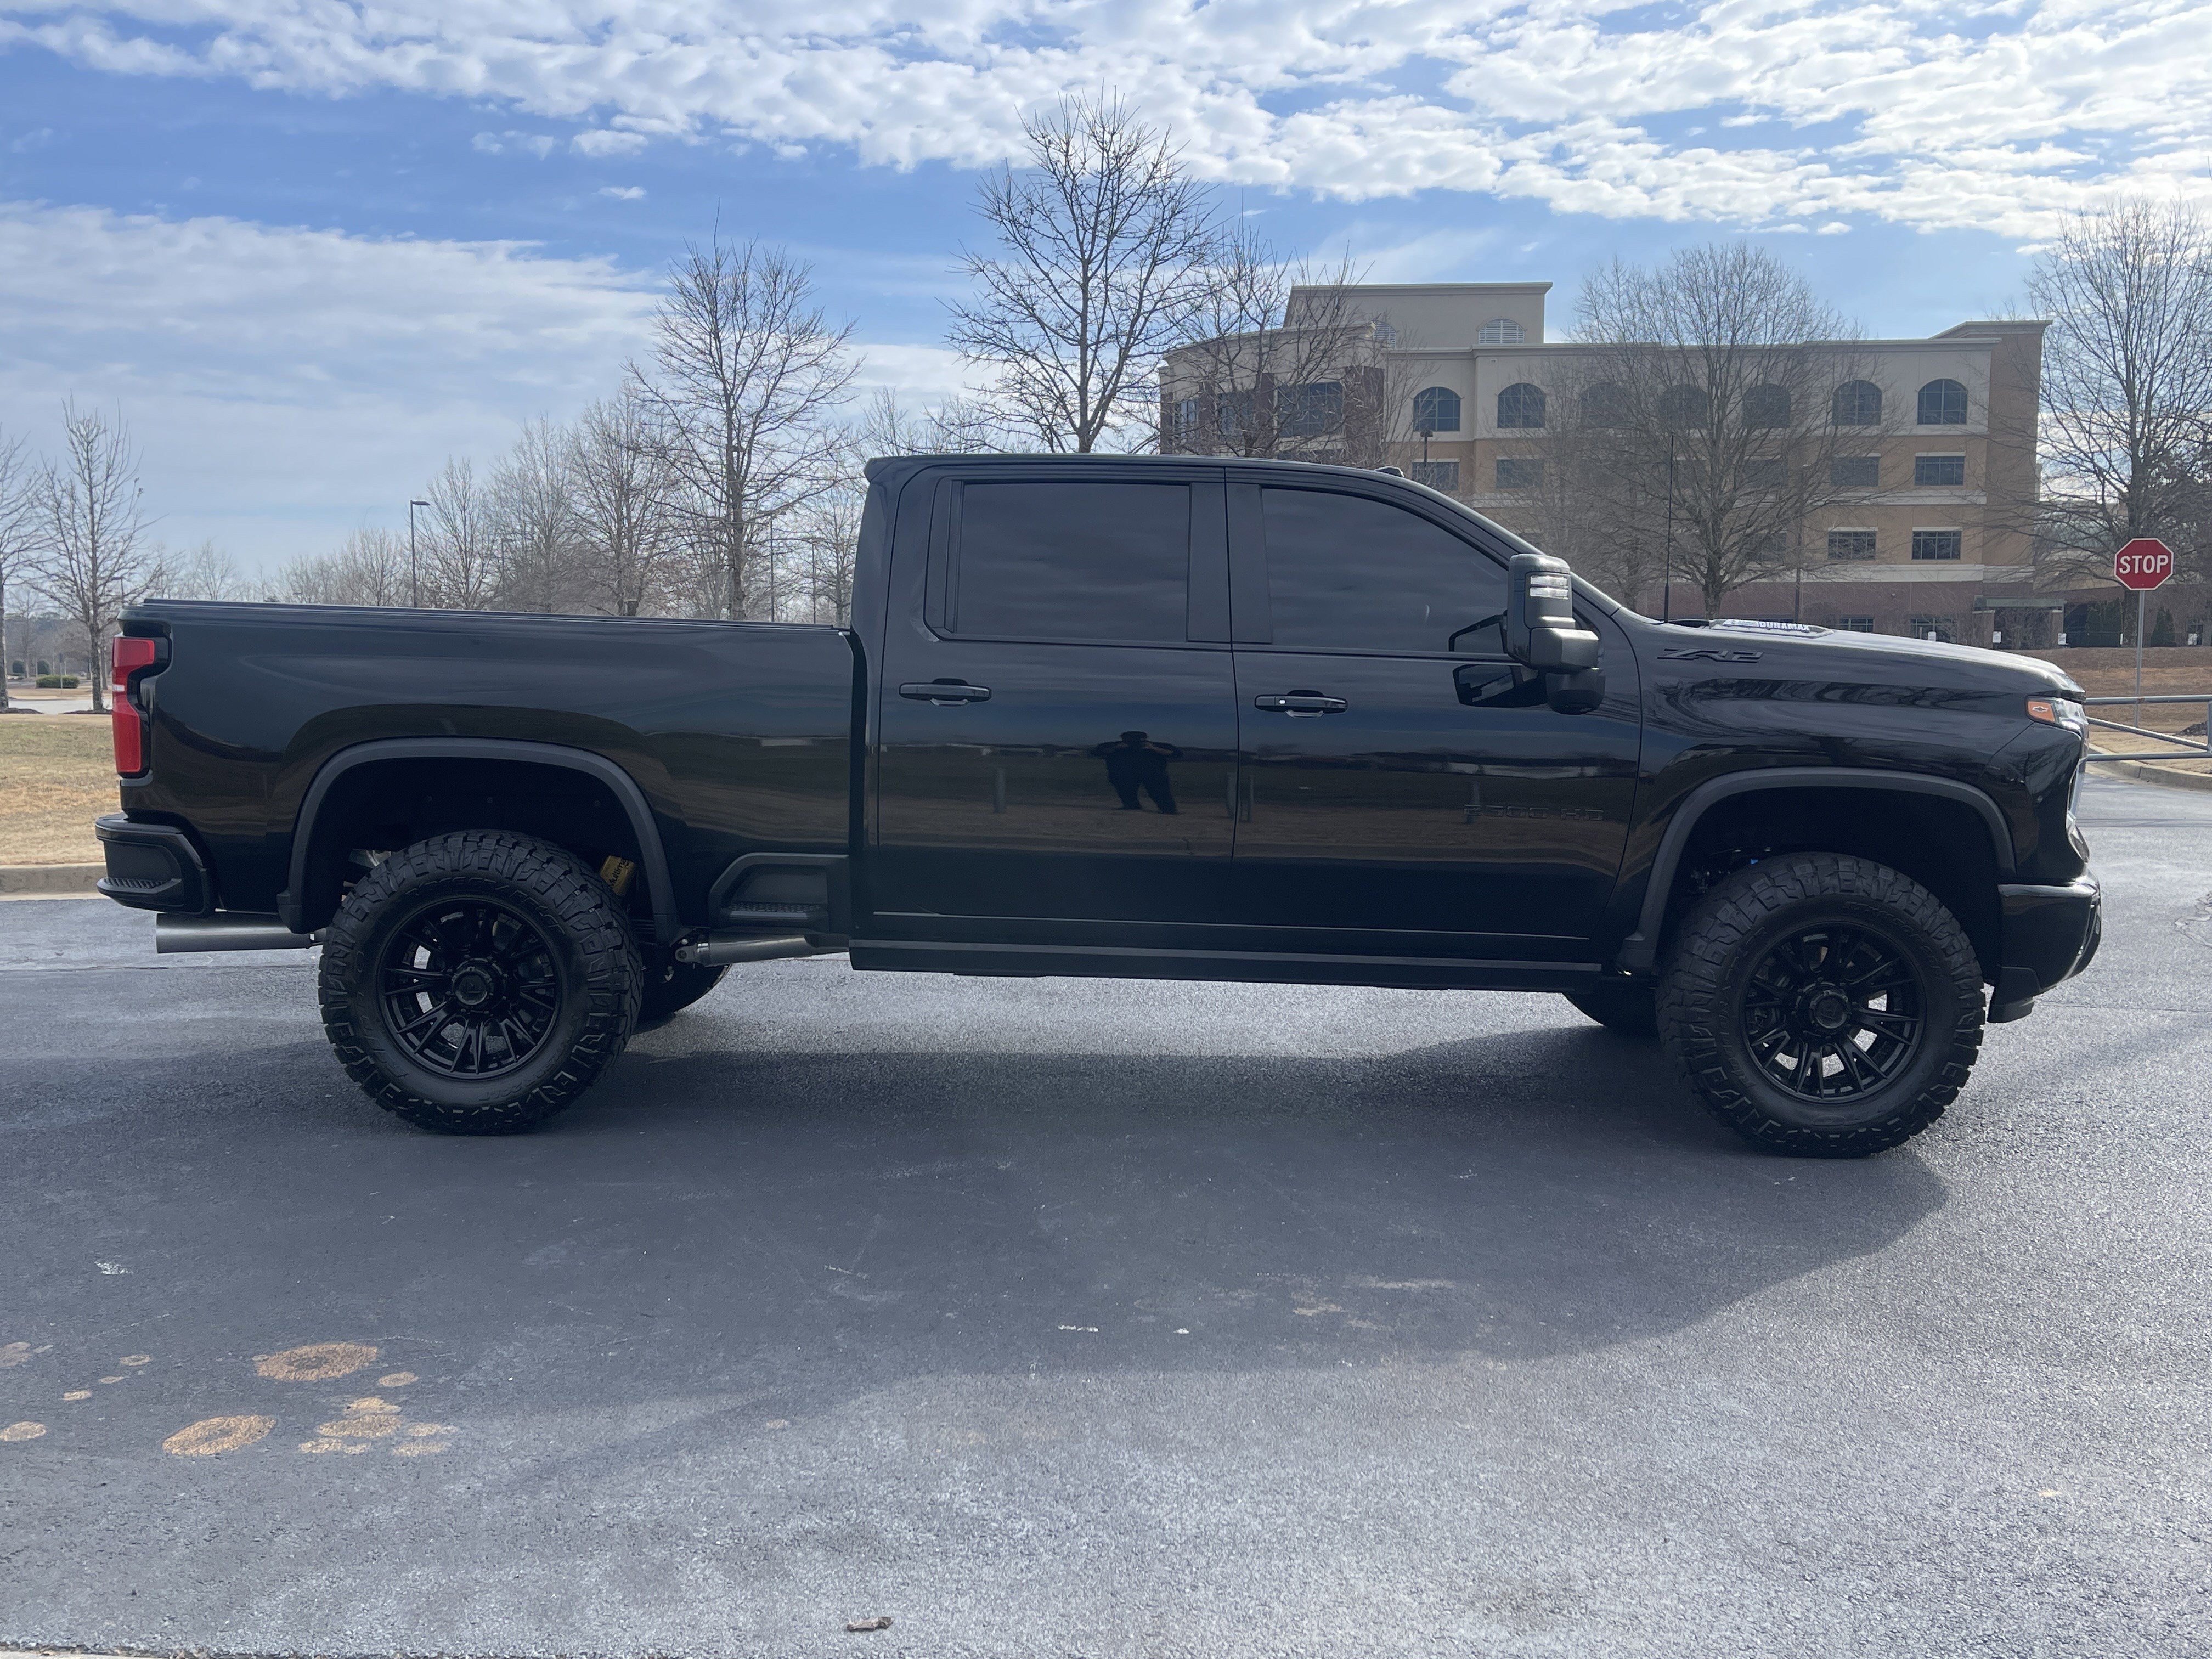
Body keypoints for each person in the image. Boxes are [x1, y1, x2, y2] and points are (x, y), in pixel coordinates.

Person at [1092, 730, 1180, 813]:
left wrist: (1153, 748)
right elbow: (1095, 752)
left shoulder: (1156, 745)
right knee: (1125, 791)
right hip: (1123, 774)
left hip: (1153, 773)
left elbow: (1177, 754)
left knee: (1160, 792)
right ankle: (1131, 805)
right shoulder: (1114, 745)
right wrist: (1115, 748)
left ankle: (1169, 809)